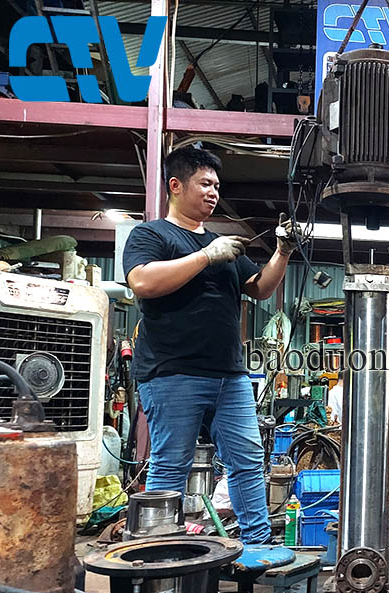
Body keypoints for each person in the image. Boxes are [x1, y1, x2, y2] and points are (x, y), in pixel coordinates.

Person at [123, 146, 294, 545]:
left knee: (247, 461)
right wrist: (205, 256)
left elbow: (261, 289)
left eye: (217, 185)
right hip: (173, 372)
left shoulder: (222, 244)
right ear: (175, 186)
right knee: (171, 466)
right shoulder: (152, 235)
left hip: (229, 376)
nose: (214, 192)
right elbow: (143, 282)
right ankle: (159, 550)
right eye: (205, 183)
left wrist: (283, 252)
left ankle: (256, 546)